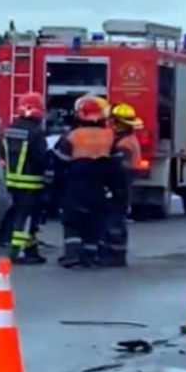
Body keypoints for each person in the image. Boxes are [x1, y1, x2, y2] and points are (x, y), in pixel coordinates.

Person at [54, 95, 115, 268]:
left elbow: (60, 159)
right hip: (100, 185)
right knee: (95, 221)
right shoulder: (109, 135)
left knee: (72, 220)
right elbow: (116, 163)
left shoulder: (73, 136)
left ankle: (72, 255)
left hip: (77, 183)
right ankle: (92, 256)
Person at [2, 91, 49, 264]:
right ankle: (17, 252)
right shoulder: (36, 133)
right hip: (31, 182)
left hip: (12, 181)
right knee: (27, 218)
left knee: (21, 215)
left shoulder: (11, 129)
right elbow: (41, 158)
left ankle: (31, 251)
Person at [98, 103, 142, 267]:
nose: (110, 124)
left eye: (113, 122)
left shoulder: (124, 144)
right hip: (123, 183)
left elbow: (118, 167)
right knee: (116, 219)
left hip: (120, 184)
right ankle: (114, 253)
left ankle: (115, 255)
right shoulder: (127, 139)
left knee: (114, 220)